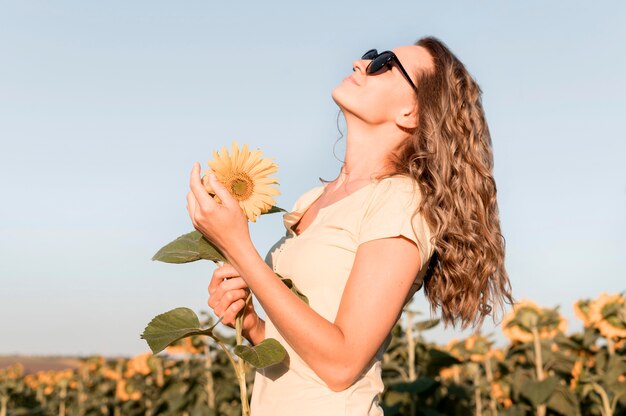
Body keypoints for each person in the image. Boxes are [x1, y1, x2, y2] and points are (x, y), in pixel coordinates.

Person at [186, 36, 514, 415]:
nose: (362, 62)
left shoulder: (400, 202)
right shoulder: (312, 201)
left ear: (410, 112)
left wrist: (239, 250)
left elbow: (342, 364)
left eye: (385, 63)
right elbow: (306, 351)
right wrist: (254, 324)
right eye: (372, 55)